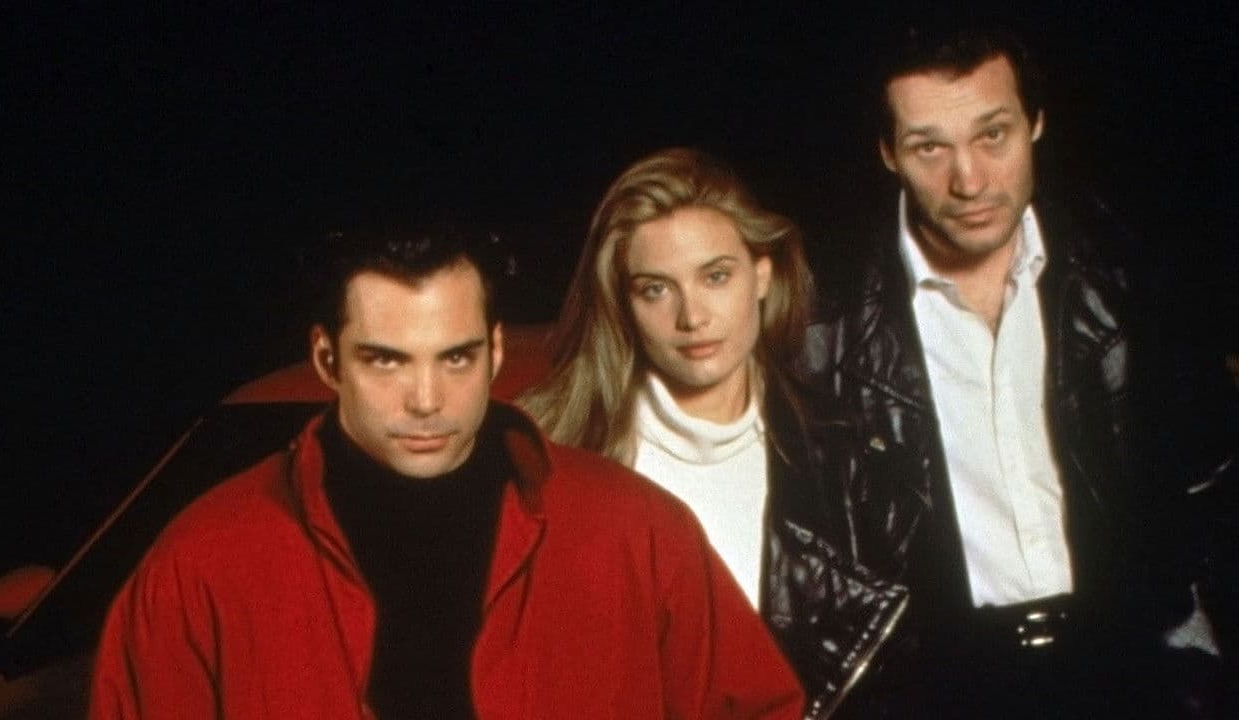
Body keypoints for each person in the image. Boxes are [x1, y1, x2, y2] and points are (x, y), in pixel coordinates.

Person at [88, 225, 805, 719]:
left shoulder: (636, 532)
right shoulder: (203, 562)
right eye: (386, 361)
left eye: (456, 357)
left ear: (496, 350)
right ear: (327, 360)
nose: (426, 400)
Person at [799, 21, 1230, 719]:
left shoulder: (1130, 278)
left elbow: (1212, 493)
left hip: (1131, 670)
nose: (968, 180)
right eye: (929, 147)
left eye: (992, 135)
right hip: (936, 687)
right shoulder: (824, 324)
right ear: (888, 153)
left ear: (1036, 123)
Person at [519, 148, 907, 718]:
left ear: (762, 276)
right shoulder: (551, 459)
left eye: (716, 276)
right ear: (622, 303)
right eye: (656, 289)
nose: (692, 317)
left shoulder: (850, 458)